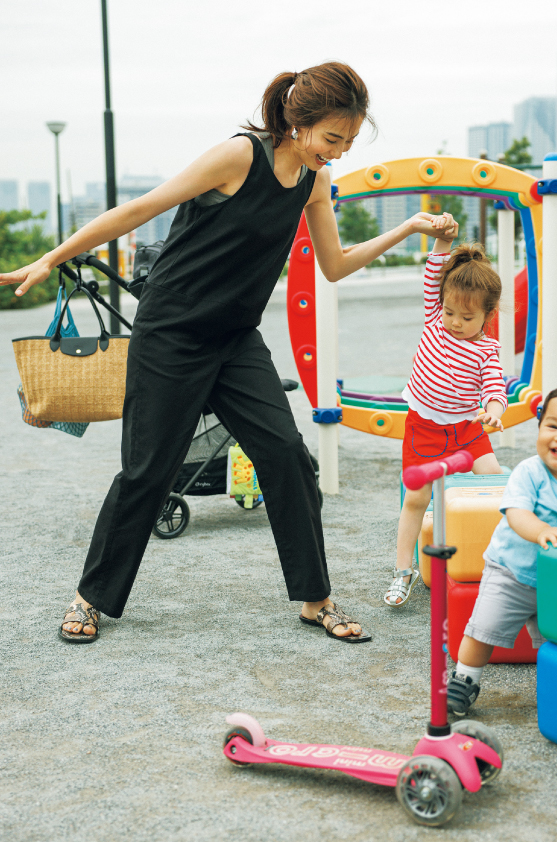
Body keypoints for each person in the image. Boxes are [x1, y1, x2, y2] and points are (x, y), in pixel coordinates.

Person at [1, 62, 455, 644]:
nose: (337, 154)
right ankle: (91, 598)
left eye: (347, 142)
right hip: (170, 335)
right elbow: (139, 210)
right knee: (149, 469)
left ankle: (316, 599)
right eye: (332, 139)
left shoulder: (315, 182)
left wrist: (409, 227)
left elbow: (335, 267)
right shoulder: (239, 157)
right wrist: (52, 257)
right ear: (299, 123)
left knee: (287, 453)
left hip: (236, 339)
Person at [447, 381, 557, 716]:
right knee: (483, 630)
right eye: (552, 426)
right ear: (539, 428)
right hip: (511, 573)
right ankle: (464, 679)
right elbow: (516, 514)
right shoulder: (530, 472)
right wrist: (541, 530)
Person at [384, 231, 507, 607]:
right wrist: (440, 240)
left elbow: (494, 388)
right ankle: (404, 571)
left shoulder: (486, 349)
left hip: (467, 430)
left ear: (488, 314)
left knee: (495, 480)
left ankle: (504, 561)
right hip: (423, 427)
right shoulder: (434, 318)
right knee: (416, 498)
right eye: (451, 312)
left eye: (467, 317)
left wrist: (494, 413)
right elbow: (434, 269)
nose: (455, 322)